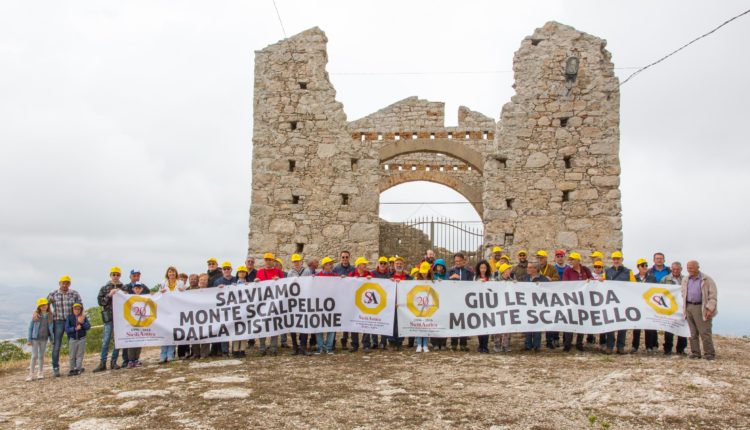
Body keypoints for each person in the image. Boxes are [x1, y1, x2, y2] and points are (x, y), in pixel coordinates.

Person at [43, 275, 82, 377]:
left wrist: (80, 318)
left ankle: (74, 367)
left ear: (69, 284)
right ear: (59, 283)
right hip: (58, 321)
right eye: (63, 282)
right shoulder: (53, 294)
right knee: (56, 345)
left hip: (71, 321)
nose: (65, 284)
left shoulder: (74, 294)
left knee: (73, 344)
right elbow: (45, 306)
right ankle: (55, 368)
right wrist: (49, 313)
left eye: (67, 283)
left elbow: (80, 306)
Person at [92, 266, 127, 373]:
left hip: (120, 317)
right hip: (109, 317)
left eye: (118, 274)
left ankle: (114, 362)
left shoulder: (124, 287)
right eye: (114, 274)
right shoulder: (104, 288)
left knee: (117, 341)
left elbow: (129, 301)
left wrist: (124, 294)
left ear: (120, 276)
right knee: (106, 340)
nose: (116, 276)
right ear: (110, 275)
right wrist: (109, 295)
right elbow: (100, 302)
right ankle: (102, 363)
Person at [682, 260, 717, 360]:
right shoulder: (685, 279)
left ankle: (709, 353)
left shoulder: (707, 279)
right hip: (688, 306)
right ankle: (695, 352)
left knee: (704, 332)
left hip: (701, 307)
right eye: (688, 268)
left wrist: (710, 308)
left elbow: (713, 295)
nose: (690, 270)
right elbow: (683, 293)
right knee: (692, 332)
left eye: (692, 268)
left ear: (698, 267)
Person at [604, 251, 635, 354]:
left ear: (622, 259)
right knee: (610, 325)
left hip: (623, 302)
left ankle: (620, 346)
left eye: (618, 259)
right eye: (614, 259)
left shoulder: (628, 272)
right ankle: (609, 346)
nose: (616, 260)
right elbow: (602, 282)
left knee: (622, 325)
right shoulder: (607, 271)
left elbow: (634, 286)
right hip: (611, 301)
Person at [562, 253, 593, 352]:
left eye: (572, 259)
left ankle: (579, 343)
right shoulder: (568, 271)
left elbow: (592, 280)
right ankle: (567, 344)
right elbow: (564, 283)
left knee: (581, 321)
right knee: (569, 321)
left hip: (583, 300)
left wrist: (593, 281)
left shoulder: (585, 270)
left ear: (578, 261)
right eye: (570, 260)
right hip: (571, 300)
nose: (570, 261)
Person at [255, 253, 284, 356]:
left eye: (270, 260)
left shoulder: (279, 272)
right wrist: (256, 282)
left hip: (275, 304)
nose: (268, 261)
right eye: (266, 259)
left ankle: (273, 347)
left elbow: (284, 285)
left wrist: (279, 281)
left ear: (273, 261)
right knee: (262, 325)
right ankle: (262, 347)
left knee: (274, 325)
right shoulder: (259, 272)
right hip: (263, 304)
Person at [286, 254, 313, 355]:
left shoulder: (307, 271)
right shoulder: (290, 273)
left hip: (304, 301)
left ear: (301, 262)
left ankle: (303, 347)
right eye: (294, 262)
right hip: (293, 301)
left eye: (298, 261)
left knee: (304, 323)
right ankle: (294, 347)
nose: (296, 263)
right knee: (293, 324)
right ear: (292, 263)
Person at [158, 266, 185, 363]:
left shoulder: (181, 283)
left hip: (176, 310)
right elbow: (158, 296)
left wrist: (183, 292)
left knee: (173, 332)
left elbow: (185, 297)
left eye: (173, 272)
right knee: (165, 332)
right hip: (165, 310)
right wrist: (160, 292)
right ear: (167, 274)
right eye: (170, 272)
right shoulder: (162, 283)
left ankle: (170, 355)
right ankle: (163, 355)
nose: (172, 274)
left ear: (176, 274)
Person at [521, 263, 549, 352]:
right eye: (528, 267)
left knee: (537, 326)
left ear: (535, 269)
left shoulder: (543, 279)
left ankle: (537, 346)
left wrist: (540, 286)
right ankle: (528, 345)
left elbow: (548, 290)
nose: (528, 269)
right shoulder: (525, 278)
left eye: (530, 267)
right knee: (528, 325)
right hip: (527, 305)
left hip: (538, 305)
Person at [661, 262, 688, 355]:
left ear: (681, 269)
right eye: (674, 269)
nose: (676, 271)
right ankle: (667, 349)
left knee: (682, 328)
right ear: (671, 269)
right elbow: (661, 293)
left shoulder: (686, 279)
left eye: (678, 269)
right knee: (669, 328)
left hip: (682, 307)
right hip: (669, 307)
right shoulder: (665, 279)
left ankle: (681, 349)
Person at [632, 258, 657, 353]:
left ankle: (649, 347)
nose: (645, 267)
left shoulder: (652, 278)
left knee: (649, 326)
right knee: (636, 327)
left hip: (648, 305)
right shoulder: (633, 278)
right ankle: (635, 346)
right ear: (638, 267)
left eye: (646, 265)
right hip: (637, 305)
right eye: (642, 265)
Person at [448, 253, 472, 351]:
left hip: (465, 300)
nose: (457, 263)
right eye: (456, 261)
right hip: (454, 300)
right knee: (454, 321)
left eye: (459, 261)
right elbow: (444, 283)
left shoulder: (468, 272)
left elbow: (472, 284)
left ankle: (463, 344)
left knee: (464, 322)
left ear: (463, 261)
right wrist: (450, 278)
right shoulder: (451, 271)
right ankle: (453, 344)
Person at [349, 257, 374, 353]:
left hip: (366, 303)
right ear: (358, 266)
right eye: (364, 264)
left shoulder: (369, 274)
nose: (365, 265)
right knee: (354, 323)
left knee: (366, 323)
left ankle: (366, 344)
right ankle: (354, 344)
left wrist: (371, 280)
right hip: (354, 303)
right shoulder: (351, 274)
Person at [27, 298, 54, 381]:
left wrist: (52, 339)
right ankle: (31, 374)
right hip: (35, 339)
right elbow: (30, 328)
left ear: (47, 305)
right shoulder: (35, 315)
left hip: (44, 339)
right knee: (34, 356)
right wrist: (29, 339)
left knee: (41, 356)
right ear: (39, 306)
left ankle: (40, 372)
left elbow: (51, 329)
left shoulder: (50, 315)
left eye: (45, 305)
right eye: (41, 305)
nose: (43, 306)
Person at [315, 256, 337, 355]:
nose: (331, 265)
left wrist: (343, 279)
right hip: (319, 304)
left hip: (332, 305)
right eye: (328, 264)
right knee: (318, 326)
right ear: (324, 265)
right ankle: (320, 347)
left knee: (331, 326)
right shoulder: (316, 276)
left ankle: (329, 347)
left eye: (331, 263)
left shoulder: (335, 276)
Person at [125, 282, 150, 367]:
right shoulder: (129, 298)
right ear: (133, 289)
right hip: (132, 323)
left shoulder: (145, 297)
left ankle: (136, 359)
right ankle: (130, 360)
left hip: (141, 323)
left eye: (139, 288)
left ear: (142, 289)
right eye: (136, 288)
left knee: (139, 341)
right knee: (131, 342)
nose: (137, 289)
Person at [370, 256, 393, 350]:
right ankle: (374, 342)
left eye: (384, 263)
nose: (383, 265)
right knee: (373, 321)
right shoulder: (372, 273)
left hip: (385, 301)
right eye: (381, 263)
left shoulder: (389, 274)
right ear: (378, 264)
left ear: (387, 265)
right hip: (374, 301)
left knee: (384, 321)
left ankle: (383, 342)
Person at [390, 256, 411, 351]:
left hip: (403, 304)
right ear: (394, 265)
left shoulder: (408, 278)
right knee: (391, 323)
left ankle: (399, 343)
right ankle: (391, 342)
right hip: (391, 303)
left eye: (400, 264)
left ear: (403, 265)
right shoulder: (389, 277)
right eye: (397, 264)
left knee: (401, 323)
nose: (399, 265)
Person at [412, 262, 434, 353]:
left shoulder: (433, 280)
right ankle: (419, 344)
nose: (423, 273)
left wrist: (440, 282)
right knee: (418, 324)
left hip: (428, 304)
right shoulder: (416, 279)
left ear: (429, 271)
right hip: (418, 304)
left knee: (426, 325)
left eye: (425, 272)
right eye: (422, 272)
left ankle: (425, 344)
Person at [65, 303, 90, 376]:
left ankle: (78, 368)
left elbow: (88, 327)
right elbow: (67, 329)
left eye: (78, 309)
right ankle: (72, 369)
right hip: (73, 339)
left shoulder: (84, 317)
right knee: (72, 355)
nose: (77, 310)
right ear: (72, 309)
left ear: (81, 310)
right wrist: (75, 329)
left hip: (82, 338)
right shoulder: (69, 317)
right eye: (75, 309)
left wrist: (82, 323)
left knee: (80, 355)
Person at [494, 263, 514, 352]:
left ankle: (506, 345)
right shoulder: (495, 281)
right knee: (497, 326)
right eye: (508, 269)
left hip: (508, 307)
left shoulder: (512, 281)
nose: (510, 271)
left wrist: (516, 284)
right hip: (498, 307)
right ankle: (497, 345)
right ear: (504, 271)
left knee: (507, 327)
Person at [474, 260, 493, 353]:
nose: (483, 270)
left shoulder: (491, 278)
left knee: (487, 326)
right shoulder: (475, 277)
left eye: (484, 268)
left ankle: (485, 346)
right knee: (479, 326)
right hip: (478, 305)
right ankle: (480, 345)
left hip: (488, 305)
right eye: (481, 268)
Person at [195, 274, 213, 359]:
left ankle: (204, 353)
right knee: (195, 334)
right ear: (198, 281)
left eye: (205, 280)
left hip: (207, 316)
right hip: (194, 317)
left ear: (207, 282)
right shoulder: (191, 291)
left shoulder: (211, 291)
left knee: (205, 334)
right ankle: (196, 353)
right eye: (201, 280)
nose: (203, 281)